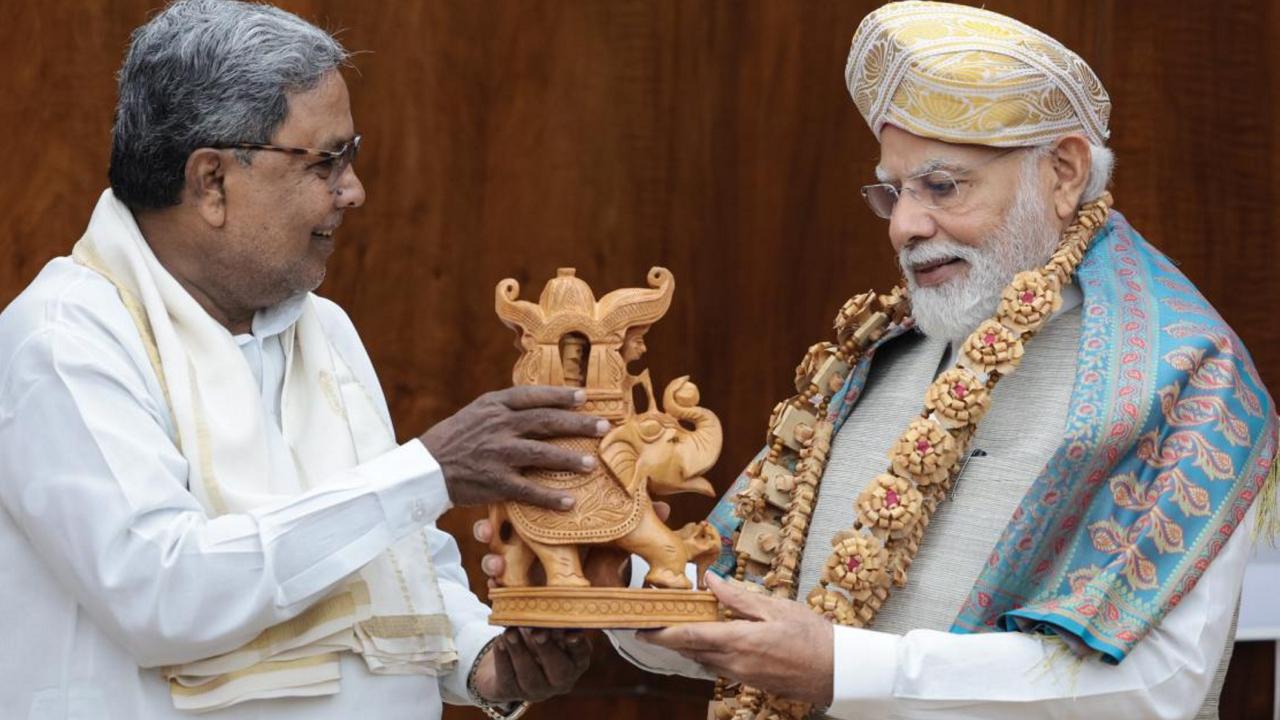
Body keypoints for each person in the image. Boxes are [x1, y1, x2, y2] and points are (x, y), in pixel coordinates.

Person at [478, 3, 1278, 718]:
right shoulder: (884, 350)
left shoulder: (1183, 381)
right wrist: (616, 580)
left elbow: (1156, 689)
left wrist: (847, 669)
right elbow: (762, 604)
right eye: (892, 193)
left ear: (1063, 172)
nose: (904, 226)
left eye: (942, 186)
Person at [0, 1, 599, 718]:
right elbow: (161, 593)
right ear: (212, 181)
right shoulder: (65, 338)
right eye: (326, 160)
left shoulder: (325, 329)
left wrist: (484, 661)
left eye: (352, 155)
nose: (354, 190)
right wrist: (427, 472)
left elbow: (395, 561)